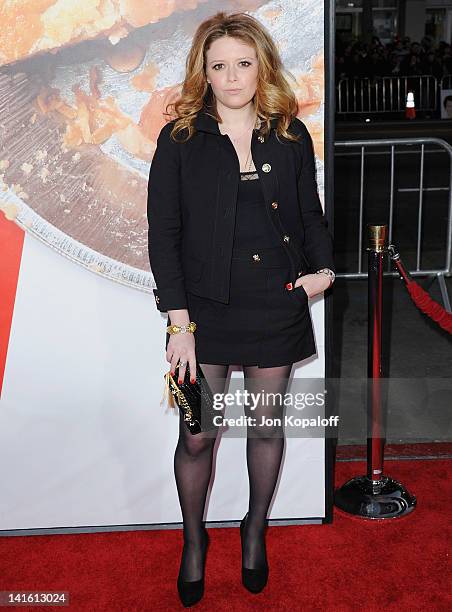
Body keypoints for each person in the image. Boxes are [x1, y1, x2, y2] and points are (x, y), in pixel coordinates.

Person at [147, 11, 335, 608]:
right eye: (219, 65)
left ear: (263, 68)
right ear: (203, 71)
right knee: (196, 433)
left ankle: (255, 529)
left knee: (264, 428)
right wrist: (177, 324)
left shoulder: (290, 134)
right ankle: (194, 539)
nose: (232, 77)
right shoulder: (178, 140)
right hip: (198, 320)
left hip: (274, 309)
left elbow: (310, 215)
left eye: (244, 64)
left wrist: (318, 277)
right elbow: (163, 234)